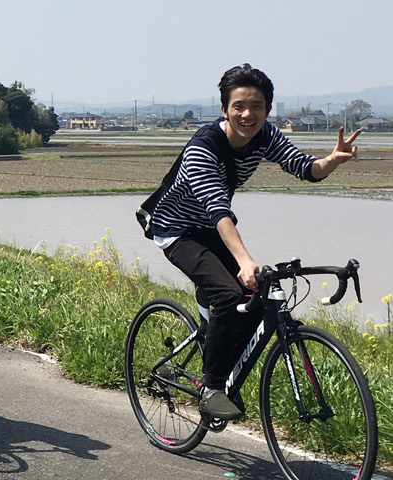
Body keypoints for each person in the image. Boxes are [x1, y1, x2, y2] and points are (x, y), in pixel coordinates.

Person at [145, 64, 361, 421]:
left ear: (268, 109)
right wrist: (245, 260)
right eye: (240, 106)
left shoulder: (265, 136)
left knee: (255, 299)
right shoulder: (203, 148)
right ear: (224, 108)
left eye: (257, 106)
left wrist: (331, 161)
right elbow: (218, 209)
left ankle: (216, 361)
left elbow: (304, 167)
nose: (248, 114)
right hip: (179, 230)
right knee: (229, 296)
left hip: (214, 229)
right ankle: (212, 388)